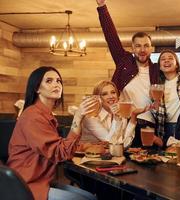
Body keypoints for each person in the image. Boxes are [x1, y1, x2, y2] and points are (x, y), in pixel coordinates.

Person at [7, 66, 97, 200]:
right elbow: (62, 153)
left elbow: (60, 147)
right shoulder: (33, 116)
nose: (56, 84)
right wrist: (78, 117)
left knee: (90, 197)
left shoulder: (46, 115)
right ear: (37, 88)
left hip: (42, 181)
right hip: (26, 184)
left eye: (58, 81)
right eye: (49, 81)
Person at [95, 0, 165, 147]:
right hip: (126, 122)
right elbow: (111, 36)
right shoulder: (124, 61)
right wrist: (102, 8)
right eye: (138, 46)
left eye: (146, 45)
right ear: (133, 48)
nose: (142, 49)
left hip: (149, 126)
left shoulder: (157, 70)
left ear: (151, 48)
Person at [81, 80, 157, 148]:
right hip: (86, 158)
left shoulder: (120, 113)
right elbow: (112, 143)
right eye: (104, 94)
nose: (111, 96)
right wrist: (116, 118)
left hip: (110, 158)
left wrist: (133, 116)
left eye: (113, 92)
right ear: (98, 98)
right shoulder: (90, 116)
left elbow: (125, 144)